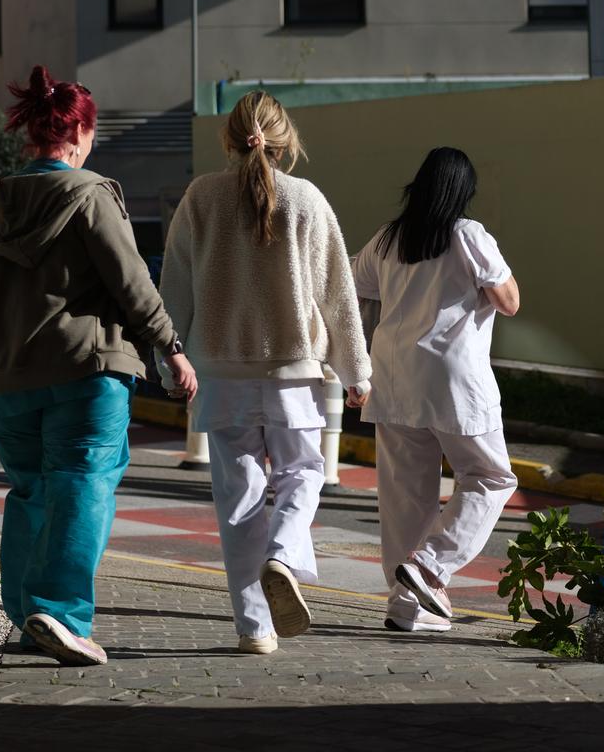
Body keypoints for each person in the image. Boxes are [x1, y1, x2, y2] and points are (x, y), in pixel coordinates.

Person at [0, 65, 197, 667]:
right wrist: (170, 347)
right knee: (82, 485)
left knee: (32, 491)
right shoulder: (91, 195)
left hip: (1, 382)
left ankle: (28, 616)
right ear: (81, 133)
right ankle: (59, 614)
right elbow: (132, 283)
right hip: (84, 374)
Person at [159, 90, 371, 655]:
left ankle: (254, 628)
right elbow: (337, 294)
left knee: (239, 497)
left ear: (229, 139)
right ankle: (283, 553)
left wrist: (168, 358)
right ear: (285, 140)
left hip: (220, 371)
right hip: (293, 371)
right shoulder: (307, 199)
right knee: (303, 472)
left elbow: (174, 286)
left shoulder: (200, 197)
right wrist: (356, 371)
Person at [351, 147, 520, 633]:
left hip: (392, 375)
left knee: (405, 495)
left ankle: (407, 603)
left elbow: (351, 285)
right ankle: (429, 567)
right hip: (453, 380)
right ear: (463, 192)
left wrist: (351, 364)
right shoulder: (468, 234)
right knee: (489, 477)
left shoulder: (388, 238)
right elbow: (509, 301)